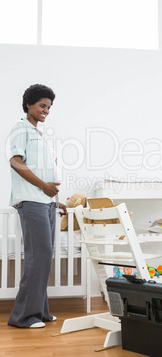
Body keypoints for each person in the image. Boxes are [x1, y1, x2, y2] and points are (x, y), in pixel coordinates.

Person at [8, 84, 67, 328]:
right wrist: (44, 187)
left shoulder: (39, 134)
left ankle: (40, 311)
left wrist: (54, 199)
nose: (46, 111)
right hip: (32, 201)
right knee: (38, 256)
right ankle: (23, 317)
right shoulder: (20, 129)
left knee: (44, 256)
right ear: (29, 105)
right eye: (43, 105)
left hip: (45, 201)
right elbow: (15, 162)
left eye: (49, 107)